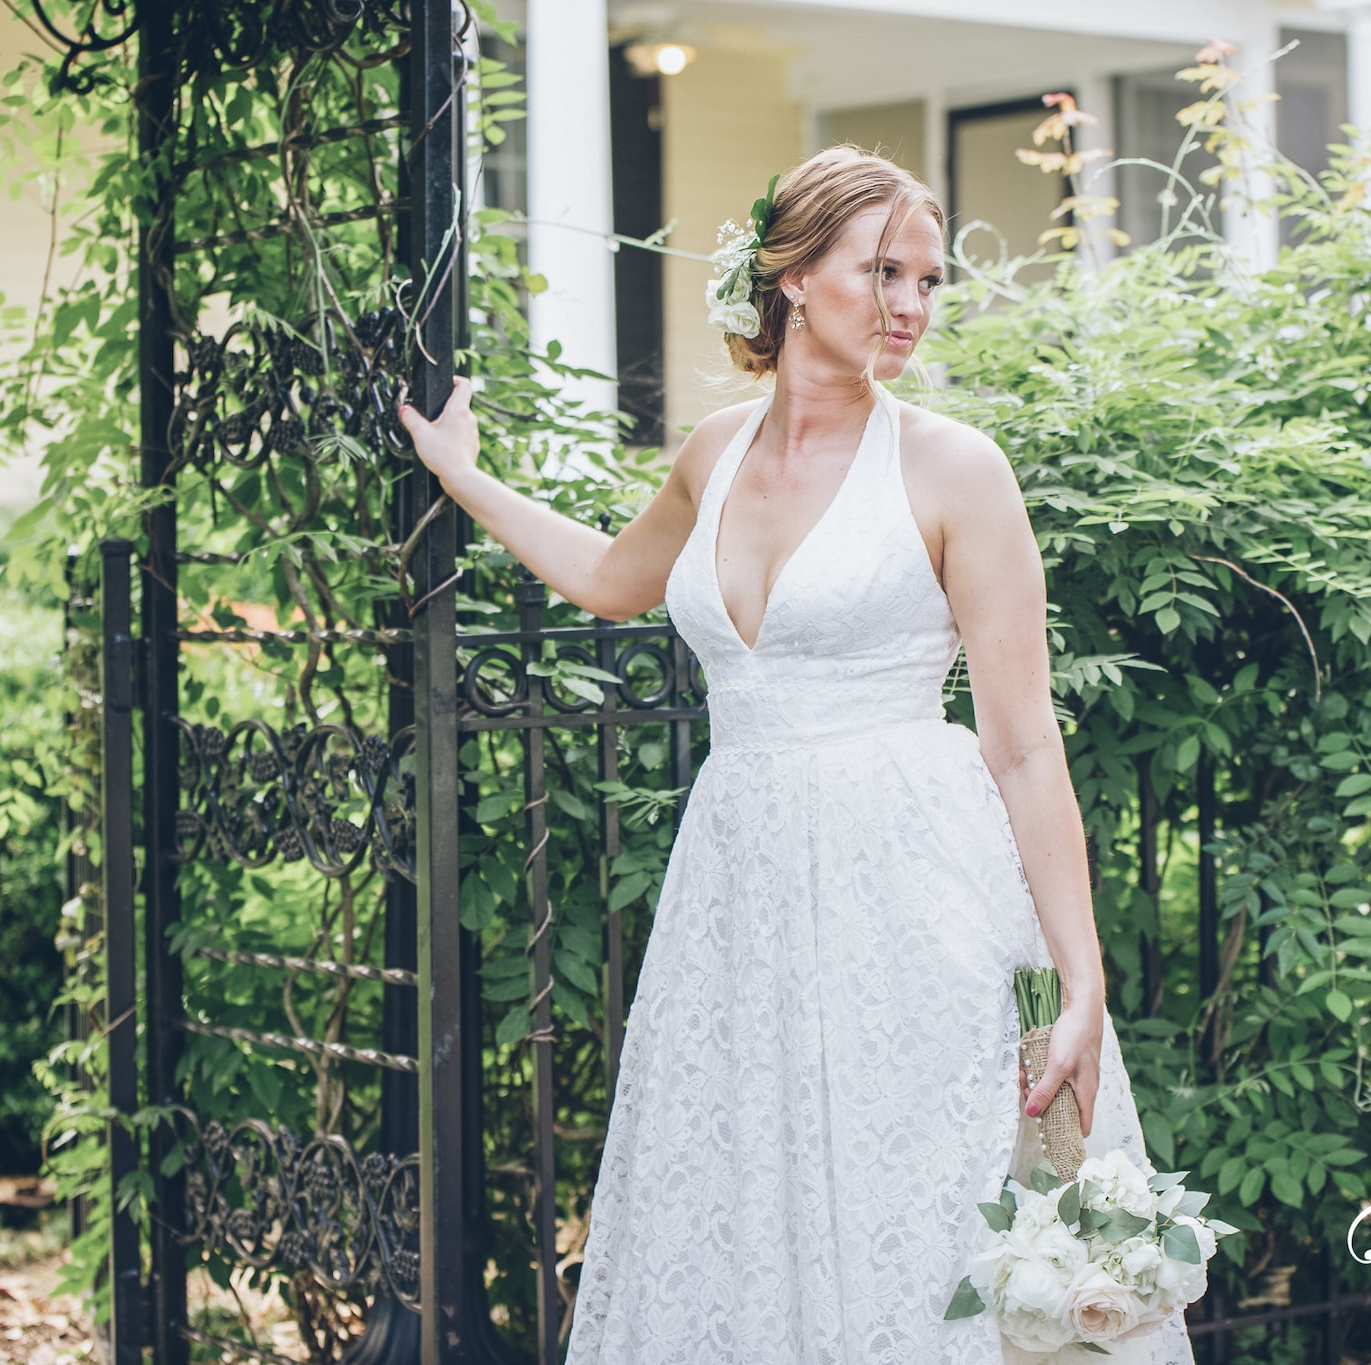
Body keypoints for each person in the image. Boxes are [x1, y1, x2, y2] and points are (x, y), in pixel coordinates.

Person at [399, 145, 1194, 1364]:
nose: (910, 308)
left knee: (920, 1202)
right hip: (742, 895)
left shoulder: (953, 469)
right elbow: (613, 578)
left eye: (928, 281)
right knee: (746, 1201)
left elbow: (1024, 742)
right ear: (787, 275)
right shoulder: (713, 453)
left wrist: (1079, 981)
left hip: (915, 893)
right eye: (883, 273)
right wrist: (464, 479)